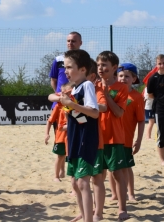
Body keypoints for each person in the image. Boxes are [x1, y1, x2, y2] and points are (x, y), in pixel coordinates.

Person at [58, 49, 99, 222]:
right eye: (64, 67)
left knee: (82, 182)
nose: (65, 71)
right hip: (74, 140)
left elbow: (94, 113)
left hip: (85, 139)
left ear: (83, 69)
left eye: (69, 67)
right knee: (75, 183)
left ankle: (89, 219)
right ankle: (84, 214)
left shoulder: (87, 85)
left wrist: (71, 105)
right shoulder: (73, 89)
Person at [96, 51, 129, 221]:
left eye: (104, 65)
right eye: (99, 65)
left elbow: (118, 113)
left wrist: (107, 95)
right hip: (96, 138)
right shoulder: (92, 85)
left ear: (114, 67)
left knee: (117, 174)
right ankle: (97, 211)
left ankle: (122, 208)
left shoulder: (122, 88)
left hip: (114, 137)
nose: (101, 68)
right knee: (97, 176)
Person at [114, 63, 145, 202]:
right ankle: (115, 194)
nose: (123, 78)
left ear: (134, 78)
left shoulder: (137, 97)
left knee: (126, 167)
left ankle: (131, 194)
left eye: (127, 76)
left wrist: (139, 140)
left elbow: (141, 120)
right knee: (112, 167)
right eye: (120, 76)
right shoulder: (112, 93)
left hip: (126, 138)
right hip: (112, 137)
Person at [45, 82, 75, 182]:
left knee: (72, 158)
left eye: (66, 92)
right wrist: (47, 134)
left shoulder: (76, 104)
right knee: (60, 156)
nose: (63, 95)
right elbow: (50, 121)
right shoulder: (59, 105)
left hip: (72, 136)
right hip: (61, 137)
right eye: (62, 93)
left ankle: (72, 178)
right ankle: (56, 176)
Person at [49, 31, 82, 96]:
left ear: (80, 43)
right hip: (60, 100)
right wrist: (59, 94)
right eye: (68, 41)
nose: (70, 43)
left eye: (73, 41)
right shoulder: (58, 60)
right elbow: (53, 80)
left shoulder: (85, 60)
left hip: (78, 101)